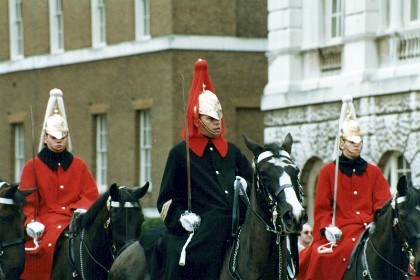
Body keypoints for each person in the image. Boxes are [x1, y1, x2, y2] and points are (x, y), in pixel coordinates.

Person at [155, 59, 253, 280]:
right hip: (204, 227)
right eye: (211, 118)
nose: (218, 123)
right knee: (192, 260)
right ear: (197, 119)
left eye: (219, 117)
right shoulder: (180, 154)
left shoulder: (233, 152)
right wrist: (181, 217)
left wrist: (246, 185)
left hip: (240, 221)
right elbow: (166, 200)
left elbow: (253, 181)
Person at [298, 95, 392, 280]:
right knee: (319, 256)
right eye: (352, 141)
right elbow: (322, 209)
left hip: (369, 229)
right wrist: (326, 229)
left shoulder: (374, 172)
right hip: (340, 231)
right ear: (342, 143)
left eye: (359, 141)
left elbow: (383, 203)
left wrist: (379, 221)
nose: (357, 145)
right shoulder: (328, 172)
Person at [19, 88, 100, 280]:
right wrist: (31, 222)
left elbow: (90, 195)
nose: (58, 142)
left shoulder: (79, 165)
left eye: (62, 137)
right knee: (40, 250)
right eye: (54, 138)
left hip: (74, 219)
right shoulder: (33, 166)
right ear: (46, 138)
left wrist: (81, 209)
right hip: (44, 223)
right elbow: (27, 202)